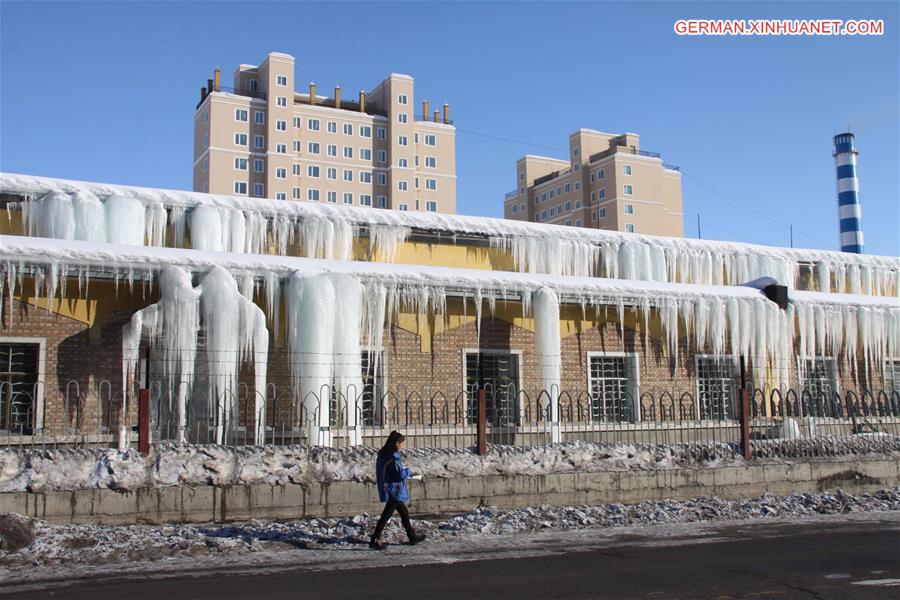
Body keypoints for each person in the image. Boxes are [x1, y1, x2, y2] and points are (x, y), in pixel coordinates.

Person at [369, 431, 426, 549]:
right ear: (396, 443)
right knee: (387, 515)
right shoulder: (393, 458)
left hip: (389, 487)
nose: (402, 446)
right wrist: (409, 470)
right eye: (401, 444)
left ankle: (412, 536)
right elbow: (399, 474)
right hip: (394, 488)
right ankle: (374, 539)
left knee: (403, 513)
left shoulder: (384, 455)